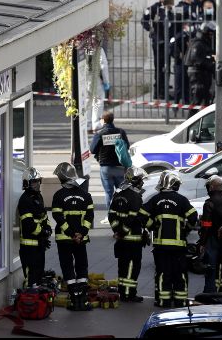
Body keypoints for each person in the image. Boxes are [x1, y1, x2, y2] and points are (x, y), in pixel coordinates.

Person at [142, 171, 198, 308]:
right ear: (174, 185)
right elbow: (193, 216)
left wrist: (152, 226)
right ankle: (180, 301)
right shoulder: (182, 200)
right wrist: (186, 230)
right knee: (180, 274)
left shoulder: (155, 199)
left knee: (163, 273)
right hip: (179, 246)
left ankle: (163, 301)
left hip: (161, 247)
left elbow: (141, 214)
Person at [51, 162, 94, 310]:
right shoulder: (86, 195)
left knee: (67, 266)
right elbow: (89, 217)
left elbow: (58, 217)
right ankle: (83, 300)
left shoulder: (58, 195)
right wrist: (81, 234)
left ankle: (74, 300)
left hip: (64, 240)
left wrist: (70, 233)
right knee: (82, 265)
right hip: (81, 240)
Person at [109, 167, 149, 302]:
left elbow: (111, 216)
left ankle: (122, 291)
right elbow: (132, 218)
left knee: (122, 266)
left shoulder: (118, 194)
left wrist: (117, 231)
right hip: (133, 240)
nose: (142, 183)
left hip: (121, 241)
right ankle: (129, 294)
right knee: (133, 268)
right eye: (141, 181)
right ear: (136, 181)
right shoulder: (136, 197)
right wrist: (123, 232)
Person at [90, 111, 130, 224]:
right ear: (112, 120)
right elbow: (127, 145)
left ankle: (110, 216)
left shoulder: (100, 133)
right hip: (120, 166)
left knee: (109, 192)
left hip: (106, 167)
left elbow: (92, 150)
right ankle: (122, 215)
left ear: (103, 120)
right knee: (121, 192)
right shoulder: (120, 132)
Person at [17, 167, 51, 287]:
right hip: (29, 247)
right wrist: (43, 232)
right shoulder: (24, 200)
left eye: (37, 181)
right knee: (31, 278)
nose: (37, 184)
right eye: (34, 182)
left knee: (39, 275)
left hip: (39, 245)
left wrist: (48, 229)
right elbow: (28, 224)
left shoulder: (38, 197)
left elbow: (44, 216)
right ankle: (28, 301)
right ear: (27, 184)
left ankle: (37, 300)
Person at [142, 0, 174, 99]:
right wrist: (150, 30)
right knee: (159, 68)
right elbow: (144, 19)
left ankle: (164, 90)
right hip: (158, 43)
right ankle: (158, 92)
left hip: (168, 43)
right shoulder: (154, 8)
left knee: (167, 67)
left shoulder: (170, 9)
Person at [185, 21, 216, 114]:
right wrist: (211, 63)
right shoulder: (198, 44)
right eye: (210, 34)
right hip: (198, 76)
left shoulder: (203, 43)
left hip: (203, 75)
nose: (211, 36)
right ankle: (189, 124)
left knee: (206, 99)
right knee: (196, 100)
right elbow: (197, 60)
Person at [88, 47, 110, 132]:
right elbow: (104, 66)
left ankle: (87, 125)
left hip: (85, 77)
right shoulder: (98, 48)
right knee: (98, 101)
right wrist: (106, 82)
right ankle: (96, 124)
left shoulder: (82, 46)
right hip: (96, 78)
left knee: (87, 101)